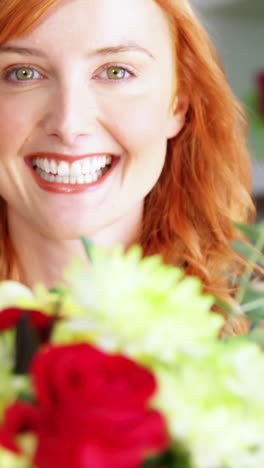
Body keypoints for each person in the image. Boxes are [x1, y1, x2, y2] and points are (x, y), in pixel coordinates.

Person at [0, 0, 255, 310]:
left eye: (116, 72)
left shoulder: (253, 327)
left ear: (178, 104)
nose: (69, 125)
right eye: (23, 73)